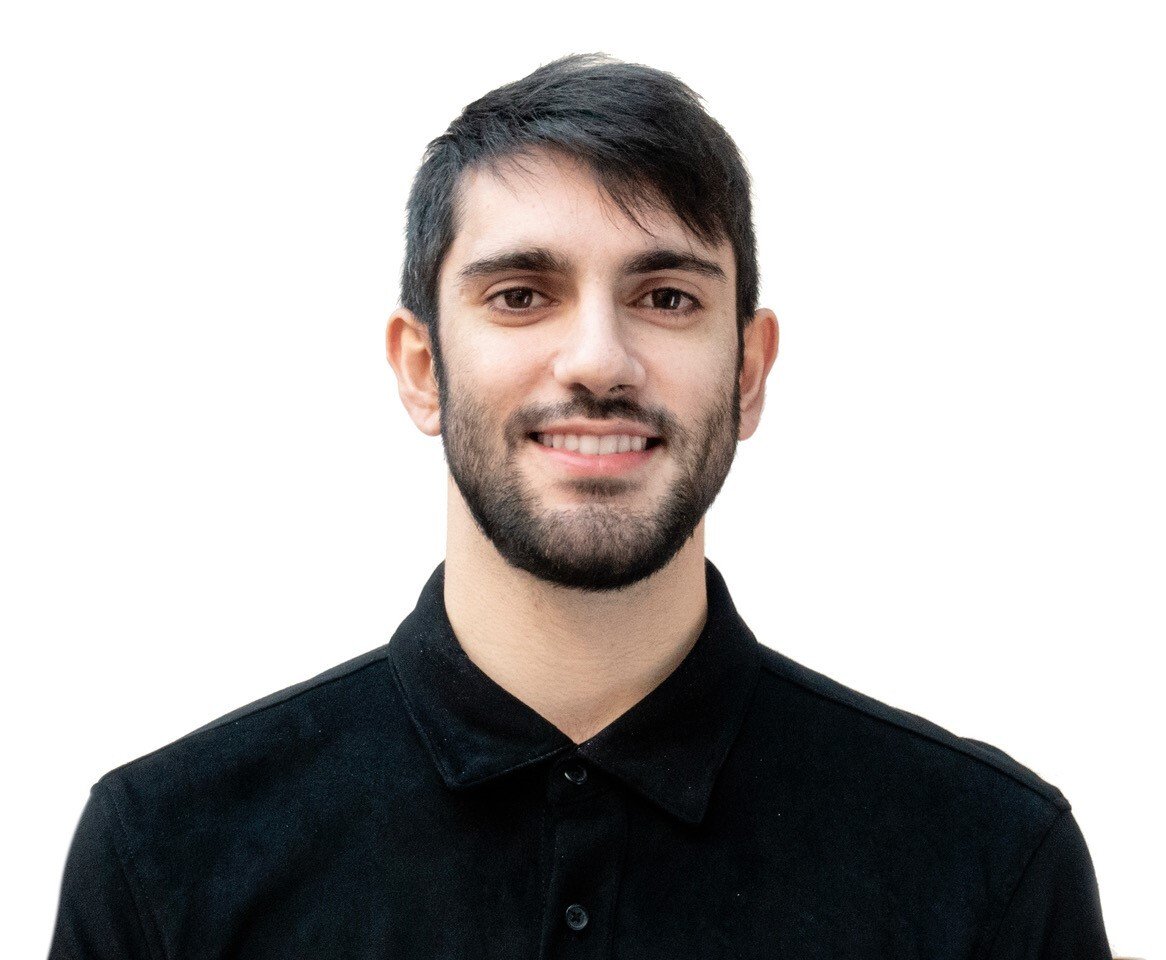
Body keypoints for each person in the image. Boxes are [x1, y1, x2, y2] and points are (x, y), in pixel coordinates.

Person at [48, 53, 1112, 958]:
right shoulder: (168, 861)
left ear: (747, 371)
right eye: (520, 295)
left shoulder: (986, 866)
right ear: (421, 367)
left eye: (664, 298)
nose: (598, 359)